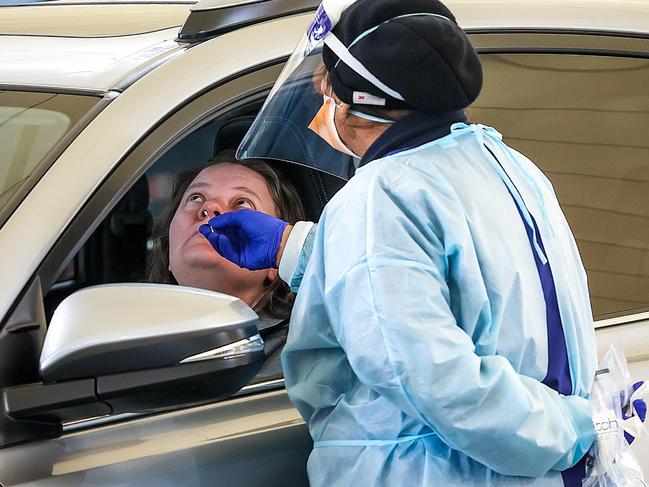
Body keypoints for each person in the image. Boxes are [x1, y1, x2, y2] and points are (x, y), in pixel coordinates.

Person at [199, 1, 646, 485]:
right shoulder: (506, 164)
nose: (317, 92)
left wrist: (578, 428)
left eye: (327, 82)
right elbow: (449, 288)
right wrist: (294, 246)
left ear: (364, 102)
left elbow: (437, 380)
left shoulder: (380, 197)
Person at [147, 149, 305, 381]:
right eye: (196, 197)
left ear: (276, 259)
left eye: (242, 203)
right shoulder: (130, 338)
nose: (209, 208)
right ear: (170, 248)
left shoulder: (305, 353)